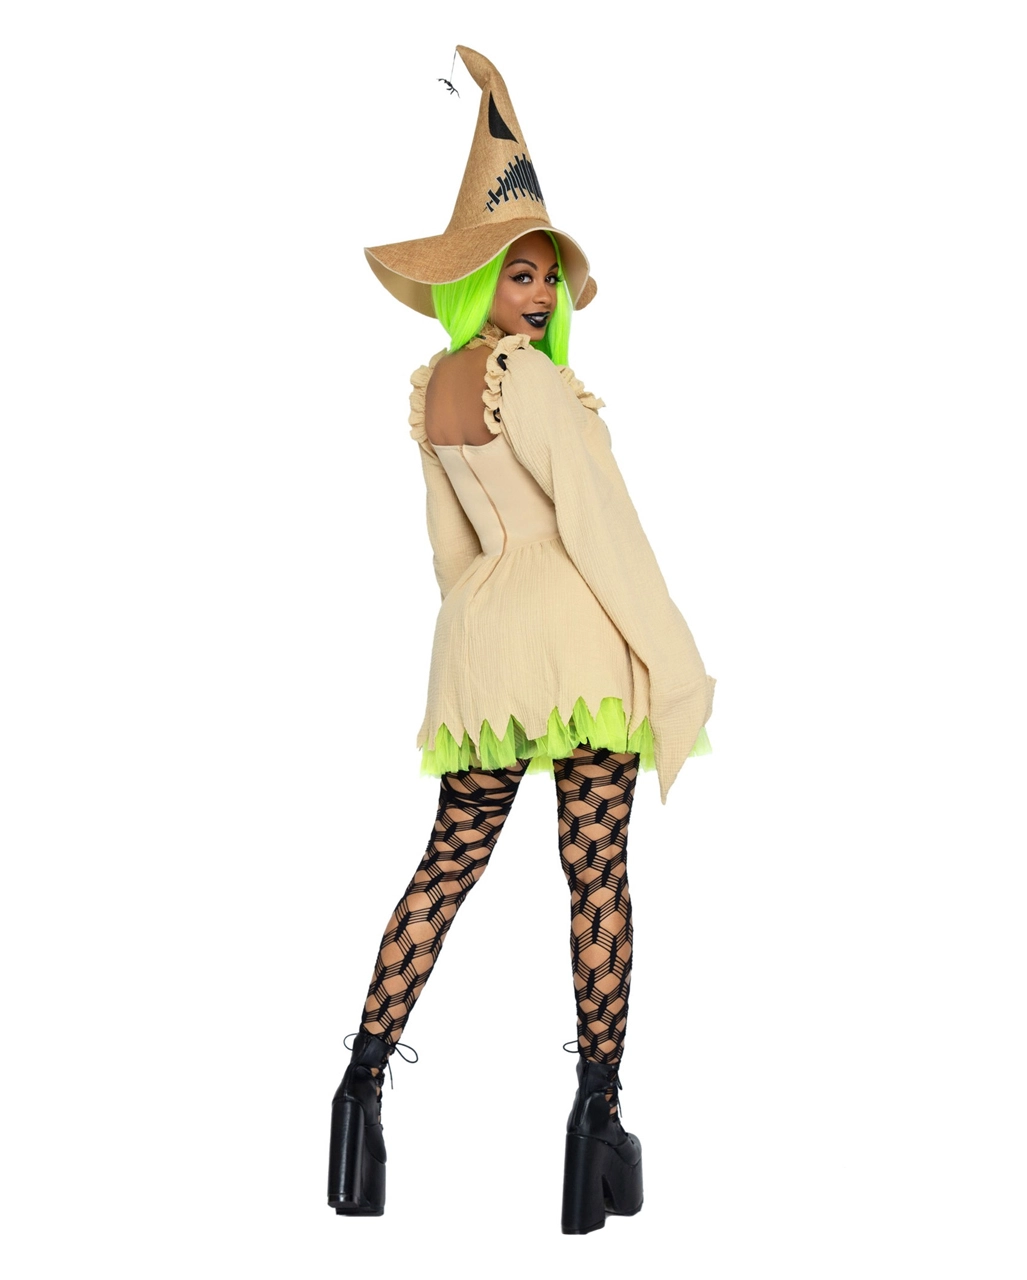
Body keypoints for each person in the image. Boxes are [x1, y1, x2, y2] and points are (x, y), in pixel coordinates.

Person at [327, 47, 716, 1235]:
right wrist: (674, 665)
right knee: (594, 875)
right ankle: (596, 1124)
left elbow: (450, 552)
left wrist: (481, 639)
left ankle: (357, 1095)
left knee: (446, 863)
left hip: (479, 647)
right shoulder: (534, 386)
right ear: (477, 280)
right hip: (578, 648)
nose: (540, 296)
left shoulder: (434, 390)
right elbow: (607, 536)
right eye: (520, 273)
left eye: (548, 276)